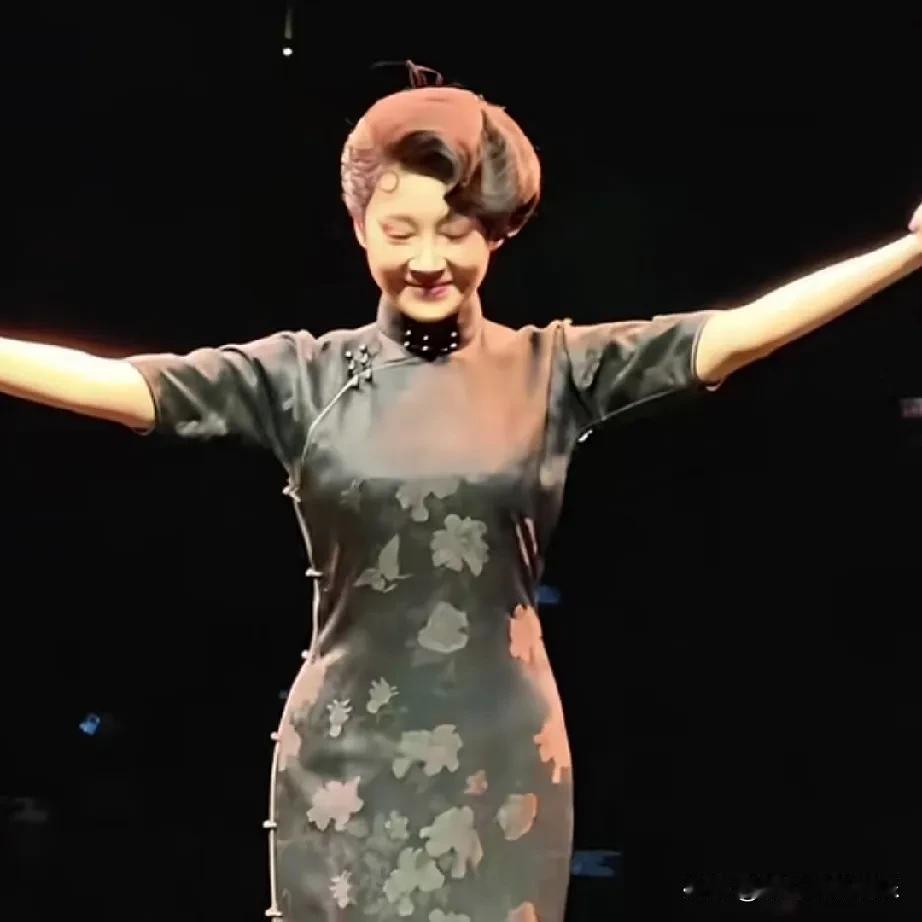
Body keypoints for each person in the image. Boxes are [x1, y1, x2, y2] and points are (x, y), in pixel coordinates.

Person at [2, 68, 921, 922]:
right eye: (400, 231)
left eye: (456, 229)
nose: (429, 257)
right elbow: (125, 385)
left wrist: (909, 253)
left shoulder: (551, 369)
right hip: (343, 765)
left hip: (502, 760)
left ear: (495, 230)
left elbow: (734, 335)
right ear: (360, 228)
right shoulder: (301, 379)